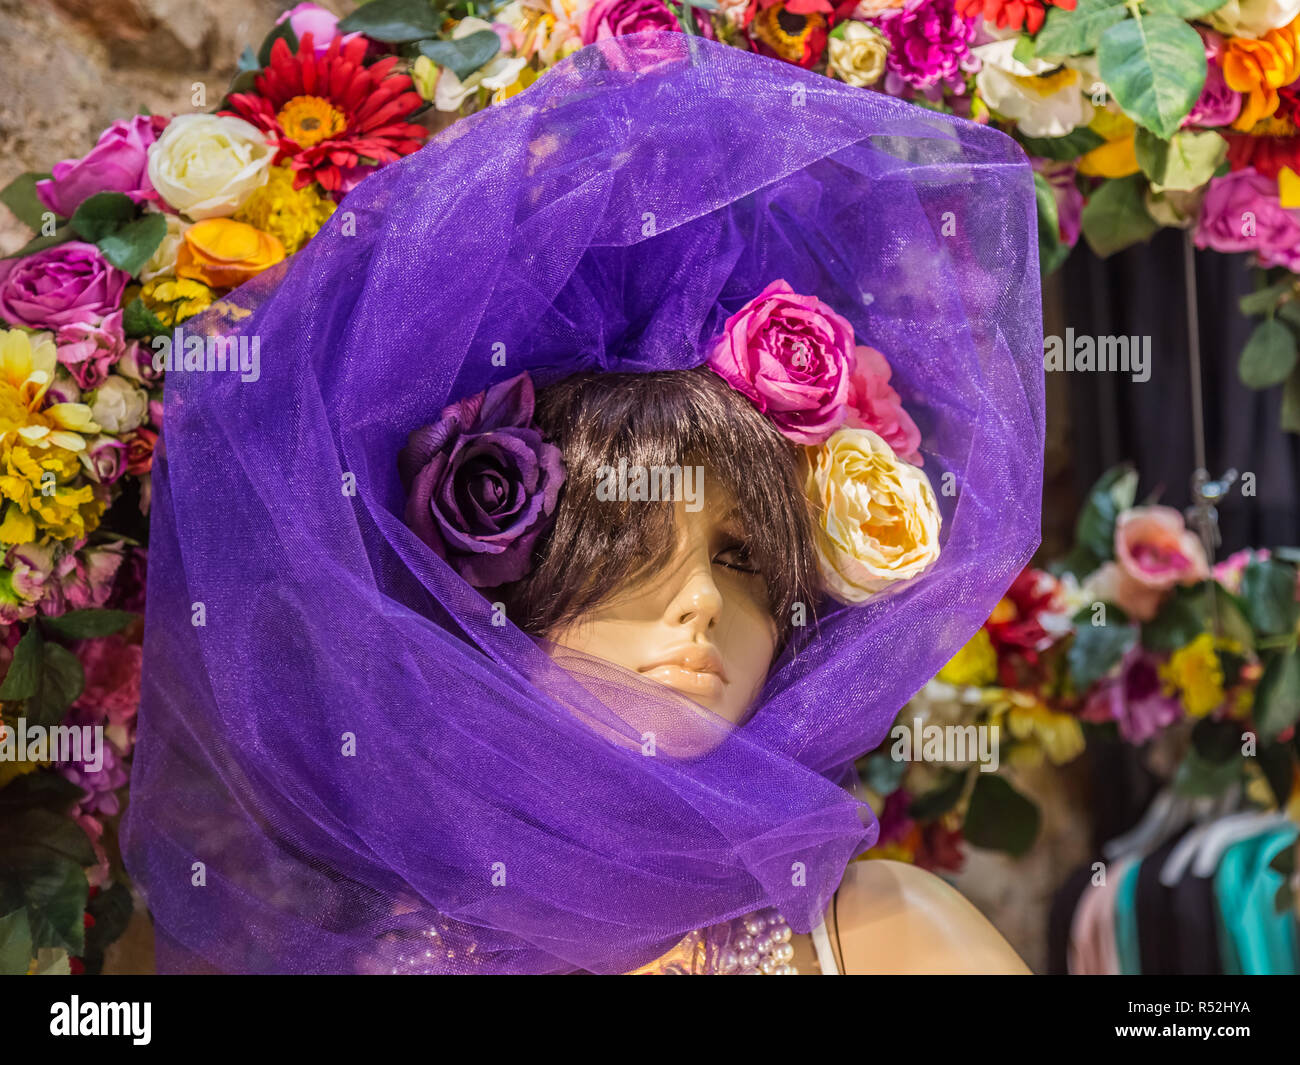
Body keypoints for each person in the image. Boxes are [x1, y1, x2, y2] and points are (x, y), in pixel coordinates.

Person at [123, 30, 1044, 974]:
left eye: (744, 557)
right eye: (631, 538)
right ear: (491, 583)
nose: (702, 602)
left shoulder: (886, 937)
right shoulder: (380, 960)